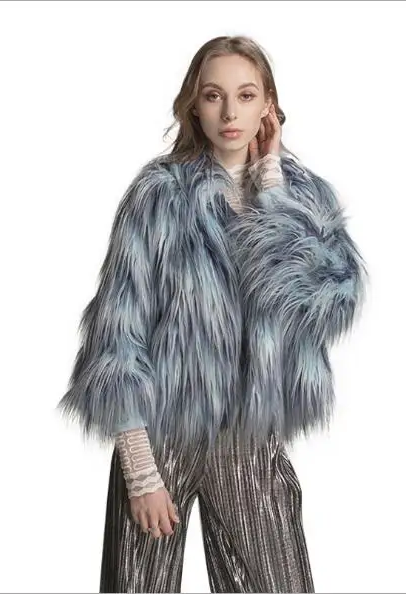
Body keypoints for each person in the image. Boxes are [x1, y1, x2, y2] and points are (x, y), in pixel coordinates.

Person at [57, 35, 368, 593]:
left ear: (268, 105)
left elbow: (325, 304)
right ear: (193, 105)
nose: (229, 113)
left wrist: (271, 188)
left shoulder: (301, 197)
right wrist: (140, 471)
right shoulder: (157, 195)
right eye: (213, 95)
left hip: (250, 437)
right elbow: (117, 337)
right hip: (160, 434)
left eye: (245, 95)